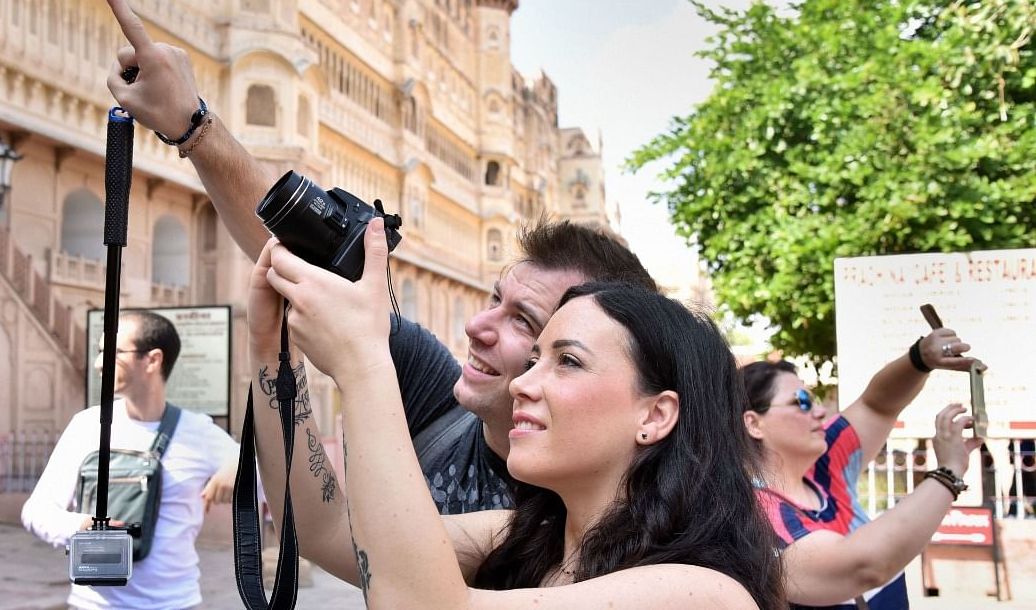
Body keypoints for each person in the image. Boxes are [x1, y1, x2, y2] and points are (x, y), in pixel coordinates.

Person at [101, 0, 656, 513]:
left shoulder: (626, 540)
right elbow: (324, 535)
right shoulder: (441, 405)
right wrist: (192, 127)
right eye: (495, 301)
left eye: (526, 324)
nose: (477, 327)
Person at [244, 220, 783, 608]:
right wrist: (271, 350)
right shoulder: (527, 536)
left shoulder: (702, 592)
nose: (524, 383)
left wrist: (365, 364)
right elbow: (326, 531)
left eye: (567, 360)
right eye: (533, 358)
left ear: (656, 415)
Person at [742, 330, 984, 610]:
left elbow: (877, 405)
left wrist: (920, 358)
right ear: (754, 424)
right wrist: (948, 473)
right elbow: (864, 566)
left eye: (815, 400)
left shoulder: (823, 466)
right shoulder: (755, 514)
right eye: (802, 402)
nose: (819, 411)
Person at [21, 310, 239, 610]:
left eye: (112, 353)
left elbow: (275, 484)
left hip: (175, 603)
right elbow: (37, 510)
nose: (99, 364)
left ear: (152, 360)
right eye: (99, 352)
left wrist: (242, 462)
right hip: (92, 604)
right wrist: (83, 525)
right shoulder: (87, 426)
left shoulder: (199, 432)